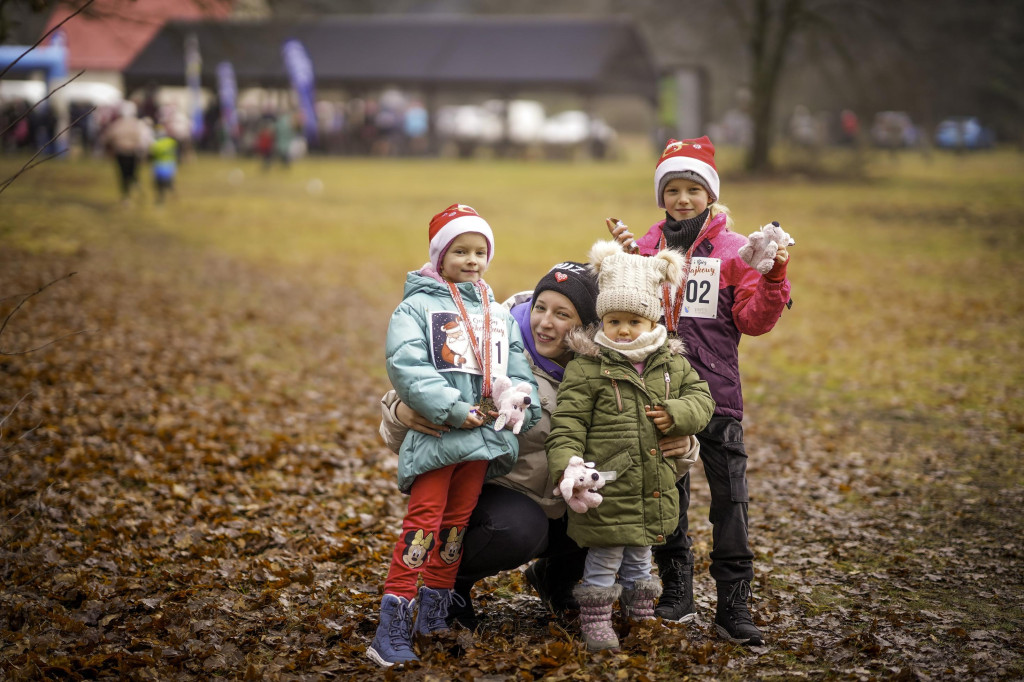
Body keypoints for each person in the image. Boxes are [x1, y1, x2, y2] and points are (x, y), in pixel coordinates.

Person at [608, 136, 792, 644]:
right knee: (669, 495)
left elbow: (754, 320)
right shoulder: (646, 249)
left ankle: (734, 605)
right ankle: (677, 592)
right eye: (673, 190)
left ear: (710, 194)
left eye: (694, 189)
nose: (683, 199)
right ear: (661, 197)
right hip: (661, 397)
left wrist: (774, 275)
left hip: (717, 396)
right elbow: (626, 311)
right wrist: (623, 260)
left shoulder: (736, 252)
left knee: (730, 501)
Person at [367, 204, 541, 667]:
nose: (471, 260)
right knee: (423, 525)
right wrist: (450, 408)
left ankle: (435, 614)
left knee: (456, 528)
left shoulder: (495, 311)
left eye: (480, 251)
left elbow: (518, 365)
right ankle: (392, 625)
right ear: (440, 255)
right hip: (441, 435)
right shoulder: (417, 307)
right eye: (460, 250)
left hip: (483, 440)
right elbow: (408, 366)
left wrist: (523, 403)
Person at [546, 240, 715, 652]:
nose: (623, 330)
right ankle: (597, 620)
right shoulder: (588, 368)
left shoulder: (671, 362)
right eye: (615, 320)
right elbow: (567, 422)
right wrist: (568, 466)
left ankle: (640, 615)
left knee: (641, 557)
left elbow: (703, 399)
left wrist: (678, 413)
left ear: (651, 320)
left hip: (652, 484)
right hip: (606, 487)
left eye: (634, 321)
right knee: (604, 560)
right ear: (602, 320)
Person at [99, 101, 152, 204]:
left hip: (121, 153)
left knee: (123, 175)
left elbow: (106, 138)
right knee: (132, 173)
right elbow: (144, 140)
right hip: (133, 153)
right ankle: (134, 189)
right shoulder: (137, 124)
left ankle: (126, 196)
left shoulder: (117, 124)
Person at [148, 124, 179, 205]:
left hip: (159, 166)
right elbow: (177, 152)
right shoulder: (171, 141)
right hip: (170, 165)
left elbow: (151, 155)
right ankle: (172, 194)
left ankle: (161, 199)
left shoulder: (155, 144)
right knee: (169, 182)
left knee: (159, 185)